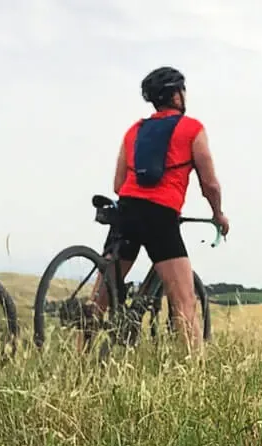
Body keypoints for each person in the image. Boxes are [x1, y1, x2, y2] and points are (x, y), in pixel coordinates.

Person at [98, 66, 229, 351]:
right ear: (176, 95)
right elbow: (210, 185)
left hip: (127, 211)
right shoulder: (192, 129)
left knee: (99, 301)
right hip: (161, 215)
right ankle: (196, 374)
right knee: (184, 301)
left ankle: (80, 362)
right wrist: (218, 214)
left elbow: (119, 183)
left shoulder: (134, 131)